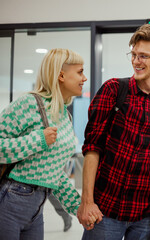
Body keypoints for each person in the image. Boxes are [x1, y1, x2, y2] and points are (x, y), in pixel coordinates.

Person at [77, 24, 150, 239]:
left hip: (147, 214)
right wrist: (87, 202)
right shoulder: (113, 90)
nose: (136, 61)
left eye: (144, 56)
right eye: (134, 54)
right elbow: (92, 148)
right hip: (104, 211)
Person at [0, 48, 87, 239]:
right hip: (10, 201)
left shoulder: (65, 116)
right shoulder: (29, 103)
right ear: (61, 75)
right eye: (80, 72)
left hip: (37, 207)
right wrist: (38, 140)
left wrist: (78, 207)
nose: (85, 78)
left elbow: (54, 171)